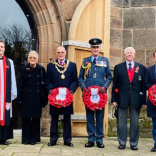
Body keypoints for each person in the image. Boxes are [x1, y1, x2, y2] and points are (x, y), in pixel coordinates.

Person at [78, 38, 112, 148]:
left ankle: (99, 139)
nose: (95, 49)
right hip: (89, 94)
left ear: (100, 48)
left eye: (97, 47)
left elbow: (109, 77)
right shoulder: (85, 61)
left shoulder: (105, 60)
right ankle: (91, 138)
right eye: (93, 47)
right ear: (90, 48)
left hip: (100, 94)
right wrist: (83, 87)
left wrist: (105, 87)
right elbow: (80, 77)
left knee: (100, 117)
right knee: (90, 117)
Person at [111, 47, 146, 150]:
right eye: (127, 53)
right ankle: (122, 142)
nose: (129, 54)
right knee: (121, 122)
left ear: (134, 54)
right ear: (124, 55)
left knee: (135, 122)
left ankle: (134, 143)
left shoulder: (141, 68)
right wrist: (113, 99)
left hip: (136, 99)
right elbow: (115, 85)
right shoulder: (118, 67)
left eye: (131, 53)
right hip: (121, 98)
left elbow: (143, 86)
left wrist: (143, 100)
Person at [45, 46, 78, 147]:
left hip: (67, 97)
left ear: (65, 53)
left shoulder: (72, 65)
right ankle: (53, 139)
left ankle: (67, 140)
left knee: (67, 118)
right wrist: (51, 91)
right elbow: (47, 80)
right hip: (55, 98)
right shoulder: (50, 66)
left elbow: (75, 80)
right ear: (56, 53)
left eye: (62, 52)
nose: (60, 54)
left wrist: (71, 91)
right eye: (58, 52)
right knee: (54, 118)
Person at [17, 51, 47, 145]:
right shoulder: (23, 69)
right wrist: (20, 99)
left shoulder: (41, 69)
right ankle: (26, 139)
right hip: (26, 98)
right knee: (26, 118)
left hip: (37, 98)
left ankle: (34, 139)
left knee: (35, 119)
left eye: (34, 58)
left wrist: (44, 99)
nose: (32, 59)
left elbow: (44, 85)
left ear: (37, 59)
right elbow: (20, 85)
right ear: (28, 59)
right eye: (30, 58)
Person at [0, 39, 17, 145]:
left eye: (2, 47)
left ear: (4, 49)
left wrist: (12, 93)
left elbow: (12, 80)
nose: (0, 48)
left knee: (5, 114)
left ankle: (3, 138)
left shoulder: (9, 62)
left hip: (5, 95)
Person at [145, 51, 156, 152]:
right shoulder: (149, 70)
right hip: (153, 102)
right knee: (155, 125)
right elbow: (146, 84)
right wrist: (153, 88)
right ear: (154, 58)